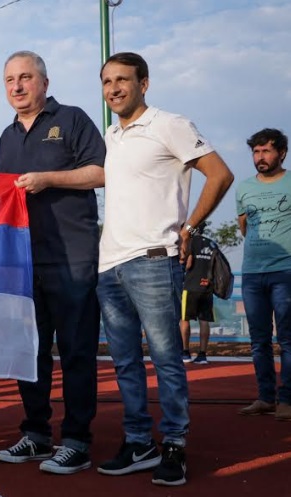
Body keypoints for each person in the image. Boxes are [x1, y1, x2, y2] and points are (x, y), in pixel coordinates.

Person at [97, 52, 233, 486]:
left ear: (144, 83)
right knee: (124, 363)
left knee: (166, 358)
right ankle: (139, 442)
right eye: (106, 81)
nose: (114, 88)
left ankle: (174, 444)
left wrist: (191, 226)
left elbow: (220, 174)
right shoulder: (110, 136)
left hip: (155, 259)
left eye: (122, 79)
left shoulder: (170, 124)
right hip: (109, 265)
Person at [0, 51, 105, 475]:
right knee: (30, 352)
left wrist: (49, 179)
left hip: (72, 258)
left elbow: (101, 171)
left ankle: (77, 440)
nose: (17, 86)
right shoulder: (5, 136)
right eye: (9, 80)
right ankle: (37, 434)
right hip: (23, 262)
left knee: (76, 351)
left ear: (43, 81)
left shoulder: (72, 119)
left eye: (25, 78)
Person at [236, 128, 291, 421]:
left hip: (286, 270)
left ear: (281, 153)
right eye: (256, 152)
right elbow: (244, 226)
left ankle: (288, 399)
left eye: (267, 151)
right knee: (259, 341)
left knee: (287, 339)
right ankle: (265, 397)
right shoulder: (244, 187)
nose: (260, 157)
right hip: (252, 273)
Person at [179, 222, 215, 365]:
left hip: (191, 286)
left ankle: (185, 352)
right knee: (204, 321)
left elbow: (187, 263)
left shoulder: (190, 242)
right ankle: (202, 355)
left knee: (185, 319)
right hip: (207, 287)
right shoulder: (212, 244)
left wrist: (182, 259)